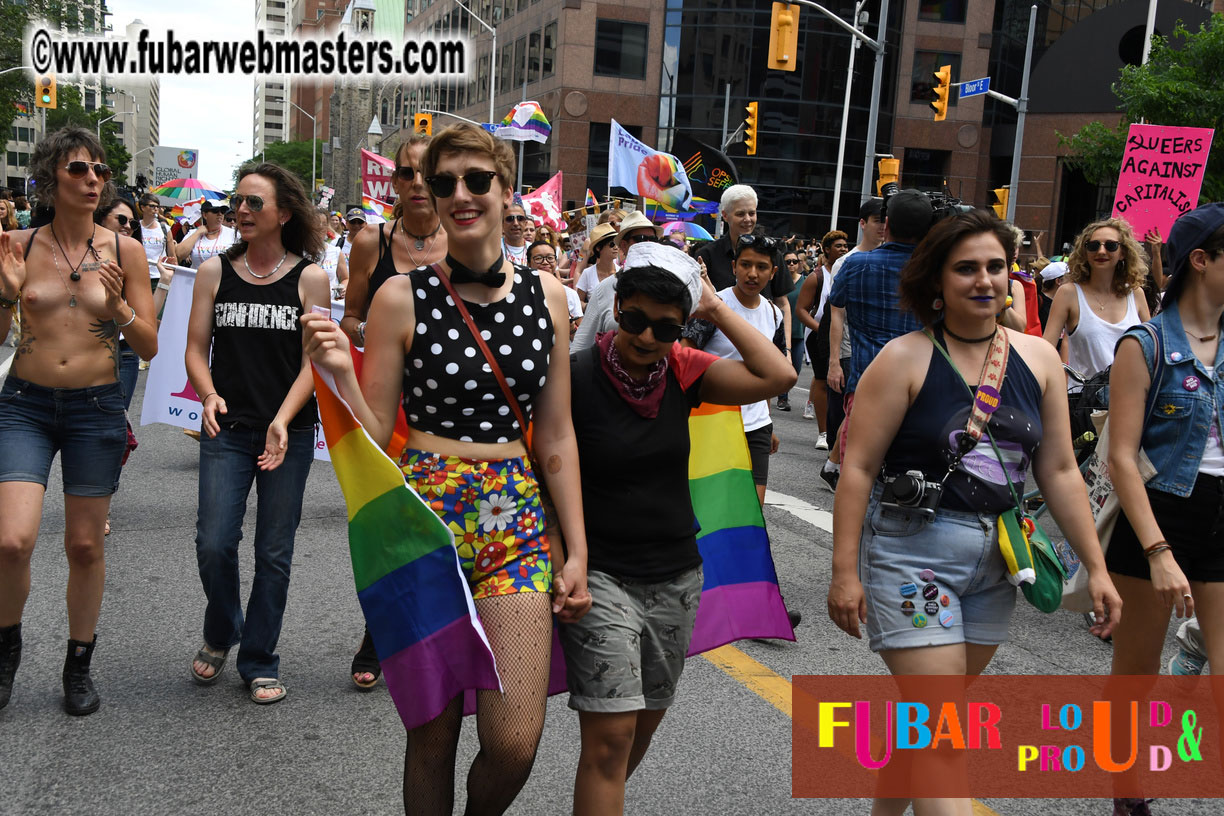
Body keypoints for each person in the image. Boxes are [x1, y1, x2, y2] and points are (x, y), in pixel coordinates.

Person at [301, 123, 590, 814]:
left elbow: (556, 430)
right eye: (444, 183)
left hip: (515, 522)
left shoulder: (548, 295)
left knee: (515, 740)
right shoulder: (403, 295)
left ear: (504, 188)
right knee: (430, 733)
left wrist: (576, 547)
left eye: (477, 180)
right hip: (424, 522)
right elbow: (375, 438)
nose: (460, 195)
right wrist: (343, 370)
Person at [827, 210, 1121, 815]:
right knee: (942, 739)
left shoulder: (1040, 358)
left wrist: (1096, 567)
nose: (985, 280)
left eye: (995, 267)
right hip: (913, 557)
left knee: (928, 728)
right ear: (936, 280)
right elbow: (856, 470)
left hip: (1001, 565)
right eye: (966, 269)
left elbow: (1061, 470)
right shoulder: (902, 359)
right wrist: (843, 573)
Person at [564, 242, 796, 815]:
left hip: (676, 577)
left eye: (665, 328)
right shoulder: (570, 377)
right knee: (611, 737)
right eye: (636, 320)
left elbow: (779, 374)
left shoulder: (685, 370)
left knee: (638, 733)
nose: (646, 338)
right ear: (616, 307)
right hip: (601, 577)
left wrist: (716, 311)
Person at [0, 128, 159, 715]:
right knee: (11, 540)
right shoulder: (15, 243)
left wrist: (119, 309)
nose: (93, 180)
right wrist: (5, 294)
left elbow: (147, 345)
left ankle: (78, 664)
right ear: (49, 178)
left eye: (99, 170)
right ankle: (6, 650)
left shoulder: (125, 251)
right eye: (78, 170)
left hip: (96, 407)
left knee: (86, 545)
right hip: (25, 405)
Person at [183, 162, 330, 705]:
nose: (240, 211)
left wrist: (284, 419)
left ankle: (259, 658)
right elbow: (196, 349)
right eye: (237, 201)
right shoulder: (214, 272)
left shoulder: (310, 277)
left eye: (253, 203)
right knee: (214, 542)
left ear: (283, 213)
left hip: (285, 434)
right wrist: (208, 394)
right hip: (227, 427)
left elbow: (316, 362)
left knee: (274, 551)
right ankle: (223, 628)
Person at [1105, 203, 1223, 727]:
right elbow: (1121, 458)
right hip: (1159, 515)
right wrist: (1158, 552)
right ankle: (1126, 793)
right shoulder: (1145, 344)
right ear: (1201, 260)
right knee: (1137, 671)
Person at [826, 190, 934, 464]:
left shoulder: (855, 264)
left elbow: (836, 302)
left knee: (857, 469)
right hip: (922, 388)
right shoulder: (936, 272)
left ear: (886, 225)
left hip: (865, 381)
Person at [682, 235, 785, 507]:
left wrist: (768, 420)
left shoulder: (775, 314)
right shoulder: (713, 307)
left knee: (751, 512)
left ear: (773, 272)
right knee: (710, 508)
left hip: (757, 428)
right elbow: (684, 359)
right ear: (733, 267)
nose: (752, 274)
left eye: (762, 267)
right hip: (713, 423)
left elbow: (769, 377)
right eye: (746, 265)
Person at [340, 133, 448, 354]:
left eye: (427, 173)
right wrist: (368, 331)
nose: (417, 182)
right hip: (385, 379)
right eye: (407, 173)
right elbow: (350, 318)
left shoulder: (461, 242)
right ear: (395, 183)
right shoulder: (370, 241)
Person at [823, 199, 885, 489]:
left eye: (887, 221)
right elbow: (835, 315)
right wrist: (834, 362)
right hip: (852, 348)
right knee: (858, 412)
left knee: (861, 412)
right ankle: (844, 469)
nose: (883, 226)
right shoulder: (846, 263)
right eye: (877, 220)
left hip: (884, 350)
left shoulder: (891, 258)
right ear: (863, 224)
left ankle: (833, 465)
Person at [1042, 217, 1151, 381]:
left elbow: (1151, 349)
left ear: (1123, 253)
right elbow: (1046, 349)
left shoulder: (1136, 294)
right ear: (1085, 252)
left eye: (1111, 245)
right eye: (1093, 246)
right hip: (1083, 401)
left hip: (1132, 398)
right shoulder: (1068, 293)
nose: (1101, 251)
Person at [694, 184, 794, 347]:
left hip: (766, 345)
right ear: (725, 215)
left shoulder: (772, 253)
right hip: (719, 345)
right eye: (740, 214)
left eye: (752, 213)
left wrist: (787, 349)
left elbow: (782, 302)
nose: (747, 219)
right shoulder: (707, 255)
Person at [796, 230, 850, 448]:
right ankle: (823, 432)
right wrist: (820, 329)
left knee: (841, 384)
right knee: (821, 379)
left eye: (845, 245)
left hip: (843, 335)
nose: (844, 249)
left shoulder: (850, 270)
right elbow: (801, 309)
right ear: (826, 249)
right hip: (818, 335)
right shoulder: (816, 277)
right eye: (838, 245)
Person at [529, 240, 581, 339]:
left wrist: (571, 328)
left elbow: (580, 337)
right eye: (538, 258)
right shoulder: (522, 293)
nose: (545, 262)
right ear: (528, 263)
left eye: (550, 258)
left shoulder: (570, 294)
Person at [777, 248, 807, 412]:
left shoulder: (805, 281)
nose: (791, 265)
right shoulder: (778, 282)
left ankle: (782, 392)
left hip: (798, 332)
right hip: (779, 333)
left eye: (795, 261)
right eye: (788, 262)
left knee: (795, 368)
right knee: (781, 366)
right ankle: (782, 398)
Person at [176, 200, 237, 269]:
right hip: (196, 278)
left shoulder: (233, 234)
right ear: (205, 215)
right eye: (215, 211)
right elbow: (179, 254)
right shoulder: (193, 233)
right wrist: (198, 233)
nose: (220, 214)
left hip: (224, 279)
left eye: (222, 211)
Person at [575, 222, 618, 305]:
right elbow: (578, 302)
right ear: (598, 248)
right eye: (612, 244)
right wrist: (590, 308)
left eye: (617, 243)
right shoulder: (588, 273)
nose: (616, 247)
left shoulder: (622, 272)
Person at [315, 211, 349, 300]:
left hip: (330, 306)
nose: (321, 227)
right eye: (317, 223)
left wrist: (342, 288)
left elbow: (345, 279)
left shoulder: (336, 251)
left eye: (324, 224)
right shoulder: (298, 251)